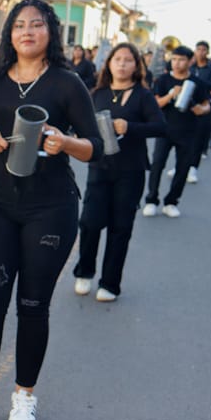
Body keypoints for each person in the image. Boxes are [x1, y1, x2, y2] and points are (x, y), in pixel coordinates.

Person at [0, 0, 102, 420]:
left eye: (37, 25)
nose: (27, 32)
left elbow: (94, 146)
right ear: (9, 34)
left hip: (51, 208)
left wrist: (64, 141)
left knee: (33, 305)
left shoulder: (67, 83)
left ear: (50, 32)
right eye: (19, 25)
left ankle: (24, 396)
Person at [72, 43, 165, 302]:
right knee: (90, 222)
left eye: (128, 60)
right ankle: (85, 271)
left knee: (120, 227)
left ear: (137, 66)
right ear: (109, 63)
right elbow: (81, 126)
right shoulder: (97, 93)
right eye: (117, 59)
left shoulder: (143, 96)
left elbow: (161, 127)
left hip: (131, 170)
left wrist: (130, 127)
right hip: (99, 168)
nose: (122, 64)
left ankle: (110, 283)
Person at [143, 46, 210, 219]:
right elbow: (156, 103)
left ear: (190, 61)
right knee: (157, 164)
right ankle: (151, 200)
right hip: (165, 130)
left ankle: (171, 202)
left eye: (181, 60)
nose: (176, 63)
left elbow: (206, 105)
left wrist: (200, 109)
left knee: (182, 168)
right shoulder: (163, 80)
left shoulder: (197, 83)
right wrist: (171, 94)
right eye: (174, 59)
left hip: (188, 131)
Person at [187, 40, 211, 182]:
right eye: (198, 49)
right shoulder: (190, 66)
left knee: (198, 140)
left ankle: (193, 169)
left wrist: (197, 81)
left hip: (203, 106)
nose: (201, 52)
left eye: (203, 49)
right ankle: (181, 166)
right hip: (187, 106)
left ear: (207, 52)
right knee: (184, 139)